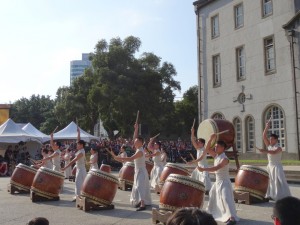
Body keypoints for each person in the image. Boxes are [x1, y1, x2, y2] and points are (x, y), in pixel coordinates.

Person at [197, 134, 238, 225]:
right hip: (217, 182)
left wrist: (204, 169)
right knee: (212, 195)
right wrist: (210, 139)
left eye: (217, 146)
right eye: (215, 146)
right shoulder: (216, 156)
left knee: (225, 198)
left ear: (223, 148)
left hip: (224, 182)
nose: (215, 148)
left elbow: (216, 168)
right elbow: (207, 149)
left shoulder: (225, 159)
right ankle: (210, 215)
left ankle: (232, 218)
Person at [113, 123, 152, 211]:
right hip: (138, 171)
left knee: (140, 186)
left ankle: (142, 204)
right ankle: (141, 201)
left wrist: (118, 157)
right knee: (137, 186)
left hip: (141, 171)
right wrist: (136, 129)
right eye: (135, 142)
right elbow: (135, 137)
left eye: (137, 142)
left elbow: (131, 158)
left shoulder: (140, 151)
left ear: (141, 143)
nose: (135, 142)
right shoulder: (138, 149)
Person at [257, 120, 291, 201]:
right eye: (270, 139)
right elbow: (264, 136)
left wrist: (264, 151)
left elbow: (273, 152)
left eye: (272, 139)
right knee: (270, 182)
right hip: (270, 166)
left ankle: (284, 197)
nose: (270, 140)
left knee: (280, 182)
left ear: (276, 140)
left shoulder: (279, 148)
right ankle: (271, 195)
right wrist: (267, 126)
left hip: (277, 167)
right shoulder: (269, 146)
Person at [61, 126, 87, 201]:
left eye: (78, 144)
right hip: (79, 168)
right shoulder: (80, 149)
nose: (76, 145)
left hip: (81, 169)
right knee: (78, 182)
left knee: (78, 182)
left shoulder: (81, 152)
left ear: (81, 145)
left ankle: (78, 196)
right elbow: (78, 140)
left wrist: (65, 168)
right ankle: (78, 196)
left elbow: (73, 161)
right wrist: (78, 133)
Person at [188, 126, 212, 194]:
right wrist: (192, 132)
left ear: (202, 143)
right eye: (197, 142)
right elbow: (193, 141)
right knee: (194, 176)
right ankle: (198, 189)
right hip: (199, 166)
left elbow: (201, 158)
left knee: (204, 178)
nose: (197, 143)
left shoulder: (204, 150)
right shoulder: (198, 148)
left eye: (199, 142)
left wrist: (192, 162)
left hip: (204, 167)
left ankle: (207, 190)